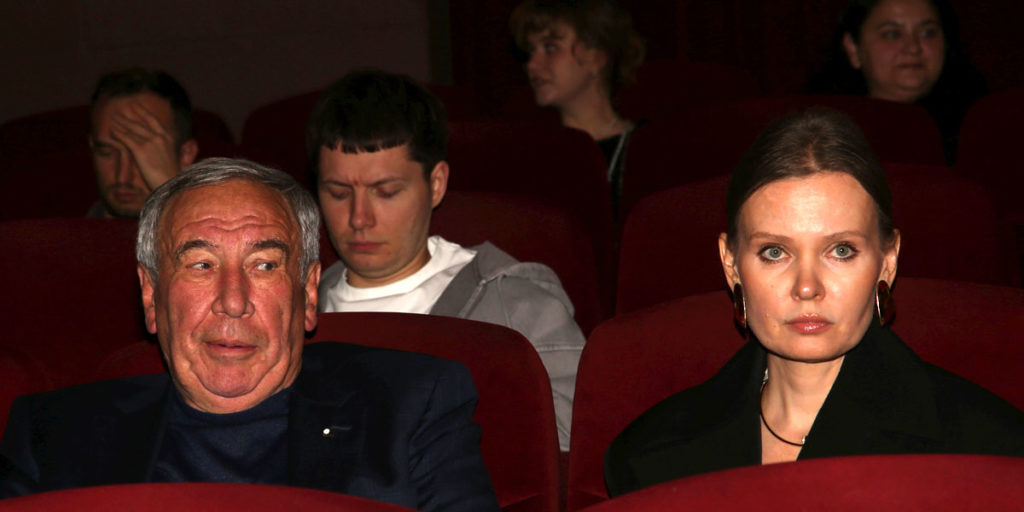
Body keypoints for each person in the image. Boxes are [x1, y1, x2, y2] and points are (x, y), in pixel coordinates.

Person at [0, 158, 499, 512]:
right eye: (201, 264)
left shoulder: (413, 406)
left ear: (308, 293)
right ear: (151, 297)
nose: (233, 301)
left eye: (264, 265)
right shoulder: (52, 436)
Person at [604, 109, 1024, 495]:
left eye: (840, 251)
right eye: (774, 252)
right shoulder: (647, 457)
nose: (807, 288)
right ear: (731, 265)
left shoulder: (992, 453)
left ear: (887, 261)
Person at [309, 69, 585, 452]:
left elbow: (573, 451)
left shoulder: (517, 309)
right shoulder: (290, 312)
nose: (359, 218)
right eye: (338, 193)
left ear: (436, 184)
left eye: (386, 192)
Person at [808, 0, 987, 162]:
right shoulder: (820, 132)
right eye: (892, 34)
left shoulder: (980, 127)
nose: (913, 47)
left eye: (928, 33)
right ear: (853, 48)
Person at [510, 0, 645, 210]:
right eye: (531, 51)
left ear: (596, 57)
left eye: (551, 48)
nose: (532, 64)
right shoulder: (530, 155)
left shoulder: (647, 151)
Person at [88, 68, 199, 218]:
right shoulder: (63, 232)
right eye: (107, 153)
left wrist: (171, 193)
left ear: (186, 154)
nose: (123, 177)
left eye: (143, 153)